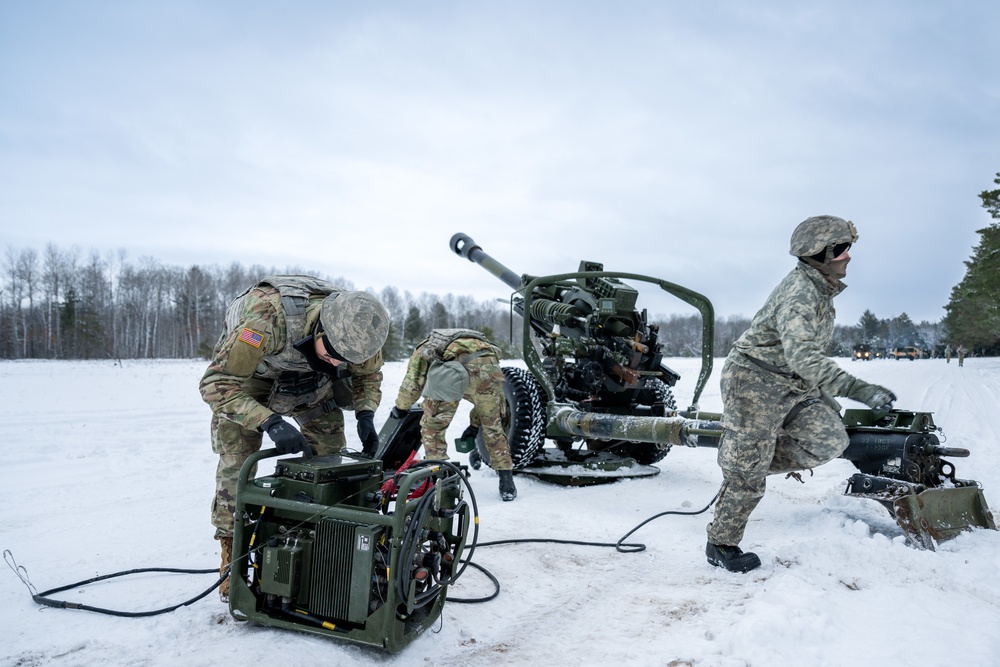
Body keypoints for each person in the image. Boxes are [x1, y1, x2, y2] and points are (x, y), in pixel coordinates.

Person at [705, 216, 896, 573]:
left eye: (847, 248)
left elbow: (803, 359)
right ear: (820, 255)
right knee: (748, 473)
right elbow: (803, 356)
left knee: (828, 440)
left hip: (792, 382)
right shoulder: (801, 295)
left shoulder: (820, 286)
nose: (848, 256)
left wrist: (822, 393)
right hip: (754, 381)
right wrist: (859, 389)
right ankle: (721, 542)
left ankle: (745, 466)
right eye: (841, 250)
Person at [200, 275, 389, 599]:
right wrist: (269, 422)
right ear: (320, 330)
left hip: (312, 383)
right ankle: (231, 561)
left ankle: (323, 544)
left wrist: (366, 414)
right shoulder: (267, 319)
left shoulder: (361, 331)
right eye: (332, 355)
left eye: (344, 361)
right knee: (236, 465)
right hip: (248, 384)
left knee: (332, 461)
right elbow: (216, 384)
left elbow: (369, 376)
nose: (339, 363)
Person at [391, 328, 517, 501]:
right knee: (493, 427)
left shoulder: (426, 347)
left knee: (433, 427)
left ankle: (438, 477)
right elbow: (482, 396)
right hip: (489, 367)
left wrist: (401, 407)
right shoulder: (477, 341)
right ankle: (506, 481)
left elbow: (414, 381)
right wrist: (474, 426)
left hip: (453, 373)